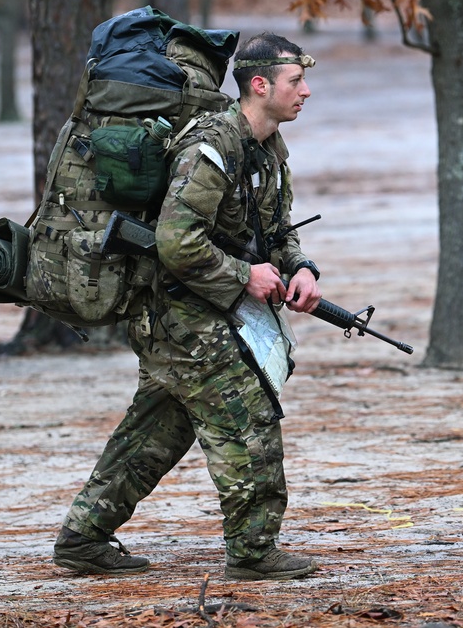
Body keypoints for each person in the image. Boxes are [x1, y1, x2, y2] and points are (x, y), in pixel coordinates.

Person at [52, 32, 323, 581]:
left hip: (197, 312)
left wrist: (300, 268)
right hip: (180, 314)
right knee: (249, 419)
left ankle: (83, 538)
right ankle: (253, 553)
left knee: (158, 428)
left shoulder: (268, 147)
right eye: (296, 81)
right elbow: (178, 242)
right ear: (260, 84)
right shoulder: (213, 145)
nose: (306, 92)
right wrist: (244, 277)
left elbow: (274, 229)